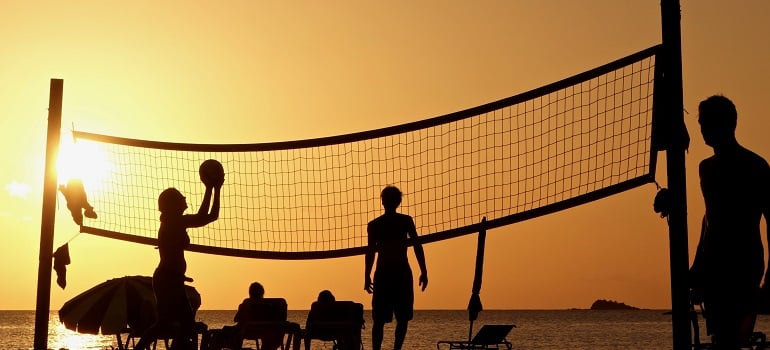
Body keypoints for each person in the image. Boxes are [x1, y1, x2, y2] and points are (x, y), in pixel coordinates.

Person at [690, 95, 770, 349]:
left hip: (744, 264)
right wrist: (696, 266)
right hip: (713, 264)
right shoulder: (706, 168)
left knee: (732, 338)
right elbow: (708, 219)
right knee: (721, 338)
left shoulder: (755, 166)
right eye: (701, 122)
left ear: (726, 124)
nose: (701, 128)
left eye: (706, 122)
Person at [135, 180, 222, 350]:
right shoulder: (174, 222)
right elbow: (204, 216)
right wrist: (211, 188)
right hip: (166, 279)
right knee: (167, 324)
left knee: (184, 324)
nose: (185, 197)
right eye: (181, 197)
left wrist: (214, 189)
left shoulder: (175, 222)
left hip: (172, 279)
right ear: (173, 204)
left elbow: (210, 216)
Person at [364, 185, 428, 350]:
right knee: (400, 319)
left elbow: (370, 253)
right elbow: (417, 246)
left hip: (387, 274)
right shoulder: (404, 221)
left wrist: (367, 275)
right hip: (399, 274)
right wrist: (424, 271)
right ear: (398, 202)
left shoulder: (376, 224)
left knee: (382, 320)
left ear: (383, 202)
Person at [234, 282, 288, 350]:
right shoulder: (275, 306)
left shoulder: (247, 304)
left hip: (250, 332)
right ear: (262, 293)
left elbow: (236, 319)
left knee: (236, 332)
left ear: (250, 293)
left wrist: (241, 308)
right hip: (268, 333)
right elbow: (282, 319)